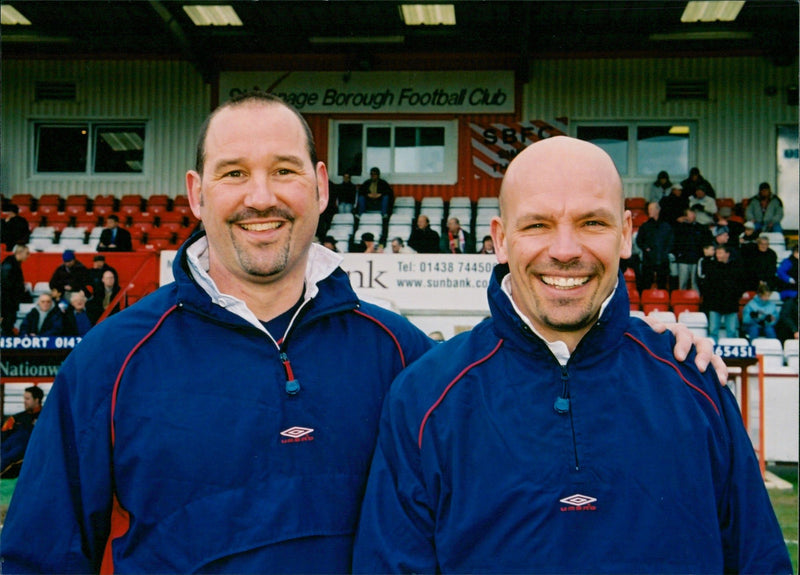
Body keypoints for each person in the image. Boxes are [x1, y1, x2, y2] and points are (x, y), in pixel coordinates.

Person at [1, 90, 436, 574]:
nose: (261, 197)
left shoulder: (404, 355)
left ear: (320, 186)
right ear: (196, 193)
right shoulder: (109, 361)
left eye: (284, 170)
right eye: (234, 173)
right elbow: (37, 559)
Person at [353, 137, 788, 574]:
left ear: (625, 234)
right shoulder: (424, 397)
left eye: (592, 223)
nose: (564, 250)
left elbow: (759, 561)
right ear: (501, 240)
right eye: (538, 225)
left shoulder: (694, 382)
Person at [704, 244, 746, 342]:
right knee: (713, 331)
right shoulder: (712, 267)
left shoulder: (736, 267)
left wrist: (736, 296)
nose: (718, 255)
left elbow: (741, 284)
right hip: (715, 304)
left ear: (727, 254)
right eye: (717, 253)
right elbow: (707, 284)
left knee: (731, 331)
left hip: (731, 304)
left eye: (720, 253)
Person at [1, 386, 44, 478]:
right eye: (24, 398)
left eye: (27, 399)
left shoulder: (45, 418)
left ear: (37, 400)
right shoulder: (15, 418)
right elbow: (3, 435)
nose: (24, 401)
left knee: (7, 458)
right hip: (8, 446)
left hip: (26, 451)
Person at [635, 201, 673, 292]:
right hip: (648, 260)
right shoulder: (645, 226)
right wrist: (646, 248)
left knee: (662, 284)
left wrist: (666, 252)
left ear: (658, 210)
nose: (650, 211)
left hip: (662, 259)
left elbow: (671, 241)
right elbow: (639, 240)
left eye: (652, 209)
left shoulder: (666, 226)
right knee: (646, 283)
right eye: (649, 209)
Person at [671, 208, 712, 291]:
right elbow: (675, 242)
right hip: (683, 259)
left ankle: (696, 299)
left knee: (695, 283)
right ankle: (681, 300)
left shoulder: (700, 227)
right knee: (682, 282)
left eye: (693, 214)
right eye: (690, 214)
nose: (693, 216)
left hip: (696, 259)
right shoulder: (679, 228)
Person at [1, 244, 31, 336]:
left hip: (11, 300)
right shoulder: (9, 264)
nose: (28, 255)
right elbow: (6, 284)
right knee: (8, 322)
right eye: (27, 253)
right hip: (7, 300)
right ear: (20, 253)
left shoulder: (13, 263)